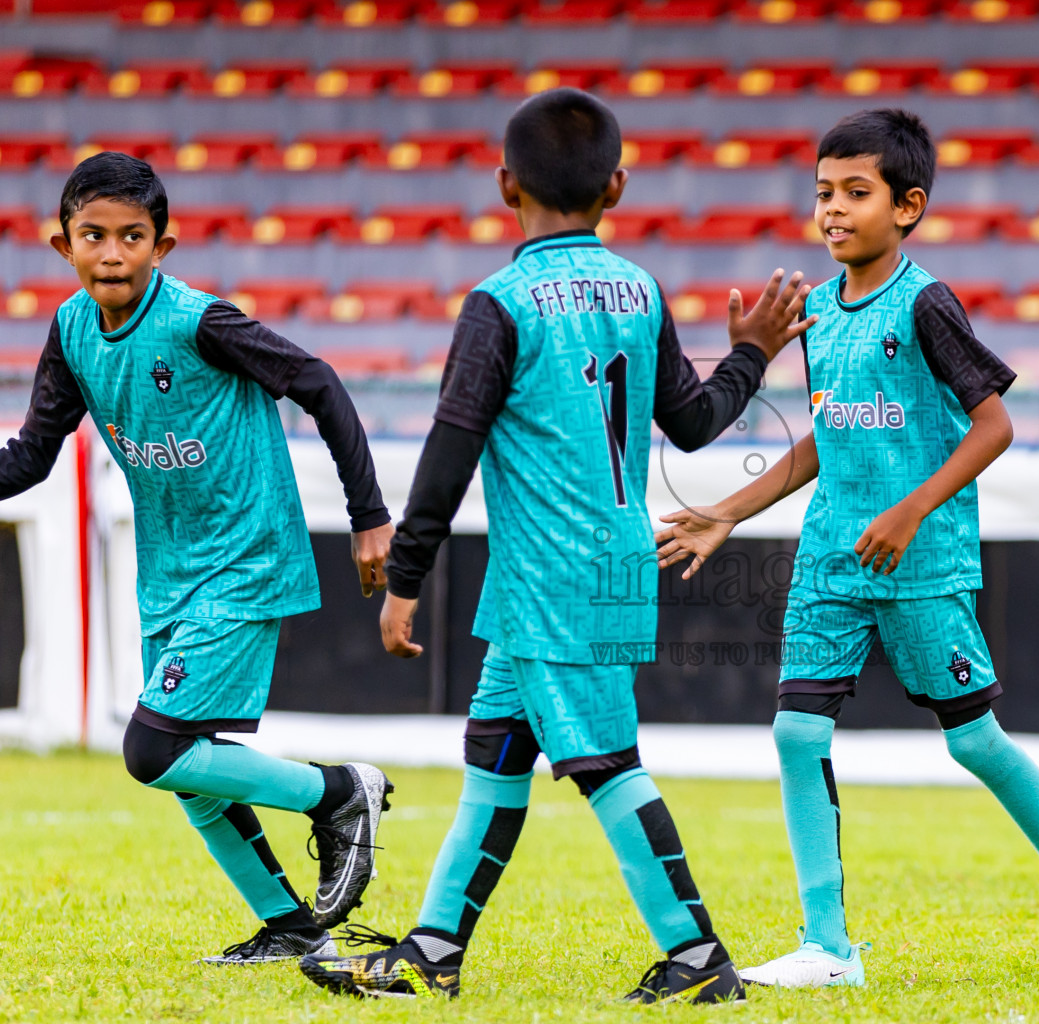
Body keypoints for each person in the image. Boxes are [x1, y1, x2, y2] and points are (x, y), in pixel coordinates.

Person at [296, 88, 814, 1003]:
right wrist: (750, 354)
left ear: (505, 185)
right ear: (617, 185)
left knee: (607, 766)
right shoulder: (640, 290)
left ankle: (698, 958)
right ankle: (434, 950)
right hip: (608, 559)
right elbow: (691, 425)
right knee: (496, 755)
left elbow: (451, 449)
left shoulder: (500, 305)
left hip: (549, 575)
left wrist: (405, 577)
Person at [656, 109, 1039, 989]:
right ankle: (828, 947)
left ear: (908, 206)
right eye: (822, 193)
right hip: (831, 559)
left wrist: (913, 510)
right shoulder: (818, 317)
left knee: (974, 742)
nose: (832, 210)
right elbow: (825, 440)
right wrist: (726, 509)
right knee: (798, 733)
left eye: (855, 193)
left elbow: (994, 424)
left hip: (920, 563)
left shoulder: (924, 302)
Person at [0, 153, 397, 963]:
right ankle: (289, 927)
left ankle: (340, 792)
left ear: (161, 246)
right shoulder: (70, 330)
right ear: (61, 245)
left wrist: (369, 515)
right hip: (169, 571)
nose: (111, 253)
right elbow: (32, 455)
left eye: (131, 237)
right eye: (92, 235)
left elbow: (318, 381)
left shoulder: (201, 322)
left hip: (246, 560)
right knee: (189, 769)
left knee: (152, 749)